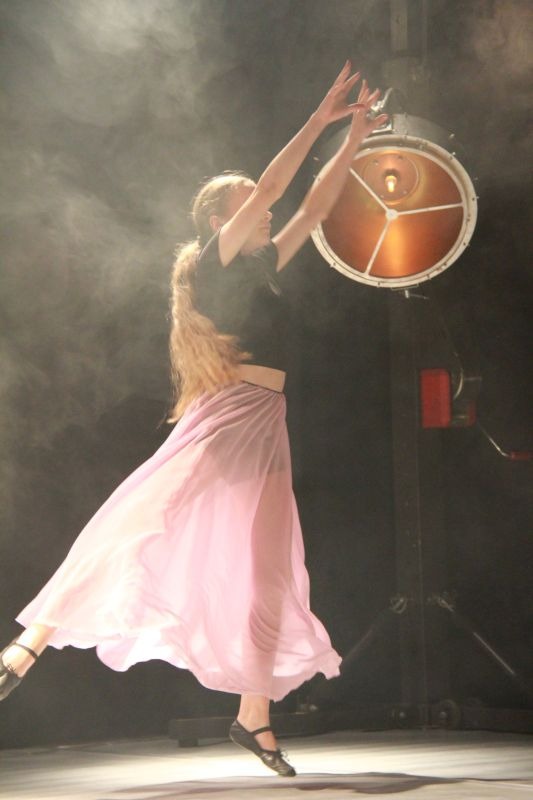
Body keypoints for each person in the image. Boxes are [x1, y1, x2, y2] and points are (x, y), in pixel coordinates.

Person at [0, 62, 387, 777]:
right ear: (219, 221)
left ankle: (253, 716)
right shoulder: (218, 259)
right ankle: (27, 645)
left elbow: (311, 209)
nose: (263, 209)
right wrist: (321, 117)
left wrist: (357, 136)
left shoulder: (264, 262)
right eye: (248, 201)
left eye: (257, 202)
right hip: (229, 415)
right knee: (141, 520)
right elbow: (276, 190)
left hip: (266, 422)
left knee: (270, 575)